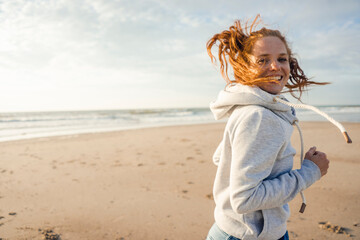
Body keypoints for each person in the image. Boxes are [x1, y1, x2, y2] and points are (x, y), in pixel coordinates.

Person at [206, 15, 330, 240]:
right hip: (246, 235)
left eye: (282, 58)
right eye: (263, 60)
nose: (275, 66)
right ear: (246, 67)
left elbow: (222, 158)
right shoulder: (259, 115)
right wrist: (310, 172)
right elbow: (245, 199)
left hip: (233, 229)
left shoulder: (254, 107)